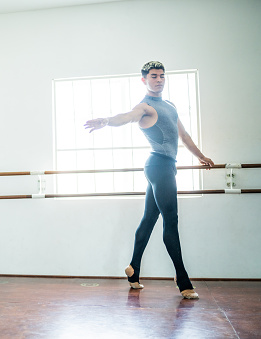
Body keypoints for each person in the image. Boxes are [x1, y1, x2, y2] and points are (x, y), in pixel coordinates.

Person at [84, 61, 213, 299]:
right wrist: (106, 120)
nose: (159, 79)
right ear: (144, 80)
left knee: (149, 219)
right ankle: (183, 279)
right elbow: (127, 117)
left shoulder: (170, 106)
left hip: (165, 167)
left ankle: (133, 269)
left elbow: (183, 135)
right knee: (171, 221)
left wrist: (201, 156)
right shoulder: (145, 106)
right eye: (154, 76)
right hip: (159, 166)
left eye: (162, 76)